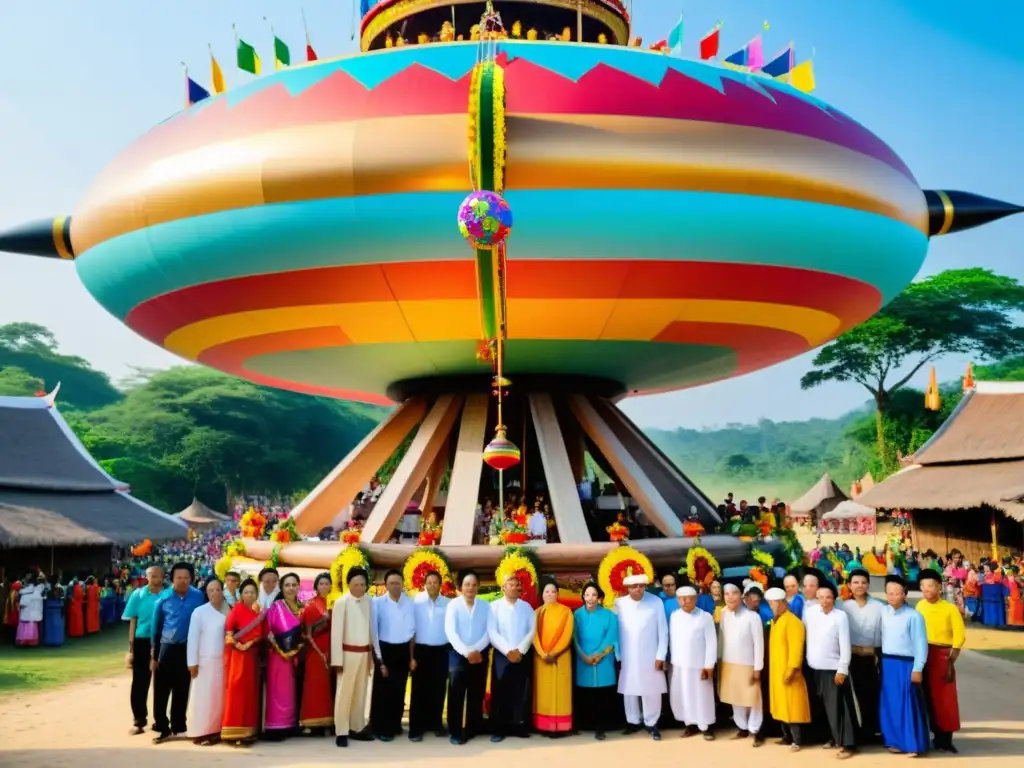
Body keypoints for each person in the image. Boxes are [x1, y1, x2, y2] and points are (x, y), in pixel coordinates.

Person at [151, 562, 205, 743]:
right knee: (161, 690)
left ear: (191, 578)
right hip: (166, 648)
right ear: (172, 579)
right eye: (178, 578)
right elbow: (155, 628)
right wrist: (154, 655)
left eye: (186, 578)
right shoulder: (163, 599)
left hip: (187, 648)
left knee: (182, 688)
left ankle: (179, 726)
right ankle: (161, 726)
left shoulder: (199, 597)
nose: (182, 581)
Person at [879, 574, 929, 757]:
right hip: (888, 662)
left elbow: (920, 644)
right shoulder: (883, 611)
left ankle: (913, 743)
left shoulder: (914, 616)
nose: (892, 596)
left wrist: (918, 668)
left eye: (896, 593)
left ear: (905, 594)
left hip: (906, 664)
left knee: (908, 704)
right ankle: (895, 741)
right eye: (889, 593)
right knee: (891, 703)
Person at [916, 568, 965, 754]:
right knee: (925, 695)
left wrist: (952, 657)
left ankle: (945, 740)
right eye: (923, 586)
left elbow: (959, 633)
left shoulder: (949, 608)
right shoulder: (919, 606)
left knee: (944, 699)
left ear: (939, 587)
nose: (927, 589)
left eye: (931, 586)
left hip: (942, 655)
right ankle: (931, 735)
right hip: (922, 654)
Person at [805, 581, 856, 759]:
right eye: (821, 597)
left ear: (834, 598)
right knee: (822, 708)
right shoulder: (810, 613)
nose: (824, 600)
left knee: (839, 709)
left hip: (833, 670)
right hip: (814, 669)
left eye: (828, 597)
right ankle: (831, 739)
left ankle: (847, 744)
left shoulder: (840, 616)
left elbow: (845, 645)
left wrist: (842, 669)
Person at [615, 572, 668, 740]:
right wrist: (617, 654)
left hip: (650, 654)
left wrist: (661, 655)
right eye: (634, 586)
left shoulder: (656, 602)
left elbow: (663, 631)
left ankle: (652, 722)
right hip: (627, 655)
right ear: (628, 588)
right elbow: (614, 632)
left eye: (641, 586)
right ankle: (632, 721)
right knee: (629, 689)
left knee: (651, 689)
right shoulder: (619, 604)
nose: (638, 589)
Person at [488, 574, 537, 742]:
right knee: (500, 691)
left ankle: (519, 726)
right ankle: (499, 729)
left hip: (522, 655)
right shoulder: (494, 607)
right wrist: (508, 650)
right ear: (503, 587)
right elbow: (492, 632)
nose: (515, 587)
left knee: (520, 691)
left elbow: (532, 630)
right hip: (502, 655)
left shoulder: (526, 607)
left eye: (517, 584)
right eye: (511, 584)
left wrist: (520, 650)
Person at [331, 566, 375, 748]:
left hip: (364, 653)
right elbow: (336, 633)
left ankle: (357, 727)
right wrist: (337, 660)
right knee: (344, 694)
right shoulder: (342, 603)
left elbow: (372, 629)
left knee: (361, 693)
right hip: (347, 654)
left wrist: (372, 656)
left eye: (363, 584)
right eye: (356, 584)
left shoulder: (370, 602)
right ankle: (341, 730)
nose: (359, 588)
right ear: (348, 584)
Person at [445, 569, 490, 745]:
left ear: (478, 587)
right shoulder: (453, 605)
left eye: (473, 585)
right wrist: (466, 651)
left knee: (475, 691)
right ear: (461, 587)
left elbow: (489, 630)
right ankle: (455, 730)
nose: (470, 588)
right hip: (458, 654)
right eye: (467, 584)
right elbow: (451, 631)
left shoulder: (485, 606)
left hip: (480, 654)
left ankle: (472, 727)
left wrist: (477, 650)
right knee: (456, 692)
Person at [371, 569, 416, 741]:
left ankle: (395, 724)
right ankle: (381, 727)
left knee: (399, 688)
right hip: (384, 649)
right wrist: (380, 659)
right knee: (382, 691)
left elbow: (412, 633)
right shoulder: (378, 603)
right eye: (391, 583)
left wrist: (412, 657)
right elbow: (374, 632)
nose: (395, 586)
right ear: (386, 585)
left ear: (403, 584)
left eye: (398, 583)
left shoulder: (410, 603)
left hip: (403, 650)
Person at [840, 568, 883, 744]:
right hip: (850, 656)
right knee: (851, 695)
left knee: (871, 694)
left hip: (871, 656)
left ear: (868, 584)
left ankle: (871, 731)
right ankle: (854, 733)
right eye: (856, 582)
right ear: (849, 585)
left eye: (863, 582)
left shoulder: (879, 607)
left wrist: (874, 652)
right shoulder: (842, 606)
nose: (859, 586)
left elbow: (883, 632)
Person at [668, 585, 717, 740]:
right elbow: (673, 641)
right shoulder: (674, 616)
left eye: (689, 598)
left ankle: (706, 726)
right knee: (684, 696)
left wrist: (709, 665)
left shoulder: (705, 617)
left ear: (695, 599)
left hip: (699, 665)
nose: (685, 601)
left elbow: (711, 642)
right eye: (682, 599)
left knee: (702, 696)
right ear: (677, 600)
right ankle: (689, 725)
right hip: (680, 665)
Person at [718, 582, 765, 745]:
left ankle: (755, 730)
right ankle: (742, 727)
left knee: (753, 698)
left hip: (749, 664)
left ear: (741, 596)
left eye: (734, 593)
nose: (730, 596)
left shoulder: (753, 617)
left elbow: (759, 643)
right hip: (729, 662)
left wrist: (758, 667)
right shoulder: (723, 613)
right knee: (735, 698)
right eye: (727, 594)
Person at [221, 578, 266, 746]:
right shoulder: (236, 611)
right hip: (238, 657)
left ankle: (248, 732)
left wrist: (250, 643)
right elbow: (228, 632)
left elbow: (260, 634)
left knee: (249, 692)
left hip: (251, 657)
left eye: (253, 592)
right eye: (246, 592)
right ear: (241, 594)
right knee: (236, 690)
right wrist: (238, 644)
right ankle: (232, 730)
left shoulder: (257, 615)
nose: (250, 594)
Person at [122, 564, 166, 735]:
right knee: (140, 682)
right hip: (142, 641)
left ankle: (161, 721)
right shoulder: (138, 595)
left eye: (157, 576)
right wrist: (131, 648)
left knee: (162, 682)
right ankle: (139, 720)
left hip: (162, 642)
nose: (153, 579)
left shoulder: (168, 595)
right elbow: (133, 620)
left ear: (162, 578)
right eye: (150, 576)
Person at [572, 581, 619, 740]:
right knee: (586, 694)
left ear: (599, 597)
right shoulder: (577, 615)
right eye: (587, 595)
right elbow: (574, 638)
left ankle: (601, 727)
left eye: (593, 595)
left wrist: (599, 655)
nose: (590, 598)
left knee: (602, 694)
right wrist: (583, 655)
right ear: (583, 597)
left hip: (603, 661)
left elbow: (611, 637)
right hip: (583, 659)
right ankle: (585, 724)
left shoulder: (609, 615)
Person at [765, 587, 810, 752]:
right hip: (777, 671)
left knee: (792, 707)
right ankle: (786, 737)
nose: (772, 607)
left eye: (773, 603)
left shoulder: (793, 621)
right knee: (781, 706)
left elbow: (796, 648)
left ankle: (797, 740)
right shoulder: (776, 621)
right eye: (770, 604)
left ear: (782, 603)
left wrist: (792, 668)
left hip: (789, 672)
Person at [186, 577, 230, 745]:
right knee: (203, 698)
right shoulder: (200, 612)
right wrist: (192, 662)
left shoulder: (228, 611)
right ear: (206, 592)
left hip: (223, 662)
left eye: (217, 590)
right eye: (211, 590)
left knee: (220, 698)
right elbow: (193, 639)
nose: (214, 593)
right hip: (204, 663)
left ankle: (218, 730)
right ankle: (201, 731)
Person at [409, 570, 451, 741]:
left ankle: (436, 724)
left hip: (441, 650)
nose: (432, 585)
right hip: (421, 650)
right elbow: (411, 630)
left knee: (439, 689)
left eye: (435, 582)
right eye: (429, 582)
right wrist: (411, 656)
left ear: (440, 584)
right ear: (424, 584)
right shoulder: (416, 602)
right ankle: (415, 728)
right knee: (419, 690)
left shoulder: (448, 603)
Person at [532, 579, 575, 736]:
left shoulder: (566, 612)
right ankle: (543, 726)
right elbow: (534, 636)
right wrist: (543, 653)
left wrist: (554, 653)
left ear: (558, 594)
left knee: (560, 691)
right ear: (542, 594)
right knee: (543, 692)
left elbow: (567, 634)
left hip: (560, 657)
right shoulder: (536, 613)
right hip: (541, 659)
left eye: (553, 591)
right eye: (547, 591)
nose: (550, 594)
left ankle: (561, 727)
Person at [264, 572, 304, 739]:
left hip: (296, 657)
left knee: (292, 691)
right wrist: (281, 650)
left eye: (294, 585)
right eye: (287, 585)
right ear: (282, 587)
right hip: (278, 657)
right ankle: (275, 727)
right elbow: (269, 632)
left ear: (298, 586)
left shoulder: (302, 607)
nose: (291, 588)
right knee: (278, 691)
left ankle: (290, 724)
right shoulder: (276, 607)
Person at [299, 572, 334, 734]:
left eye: (327, 583)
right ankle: (313, 723)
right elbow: (307, 630)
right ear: (316, 587)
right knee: (315, 685)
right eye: (321, 584)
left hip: (332, 648)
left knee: (330, 686)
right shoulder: (311, 606)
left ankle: (329, 721)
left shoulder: (334, 603)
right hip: (316, 650)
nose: (324, 586)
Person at [15, 576, 43, 647]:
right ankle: (32, 641)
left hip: (25, 612)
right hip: (34, 613)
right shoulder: (38, 589)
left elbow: (22, 603)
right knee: (32, 627)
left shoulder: (24, 591)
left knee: (24, 626)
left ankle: (23, 641)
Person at [978, 563, 1009, 627]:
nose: (985, 573)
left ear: (992, 571)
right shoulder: (987, 577)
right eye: (985, 571)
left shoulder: (997, 577)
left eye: (987, 571)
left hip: (994, 598)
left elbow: (999, 582)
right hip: (990, 598)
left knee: (994, 611)